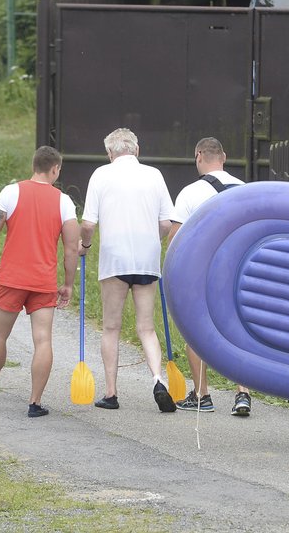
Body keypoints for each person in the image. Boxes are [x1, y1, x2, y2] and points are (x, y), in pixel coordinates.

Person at [0, 146, 79, 418]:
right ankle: (35, 402)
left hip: (11, 279)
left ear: (33, 165)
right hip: (43, 282)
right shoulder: (64, 201)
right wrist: (68, 283)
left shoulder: (10, 192)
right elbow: (72, 247)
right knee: (43, 340)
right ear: (55, 169)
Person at [80, 128, 176, 412]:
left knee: (111, 326)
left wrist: (85, 245)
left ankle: (111, 394)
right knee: (146, 327)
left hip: (115, 260)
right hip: (147, 258)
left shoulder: (101, 174)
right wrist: (151, 241)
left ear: (110, 153)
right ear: (137, 149)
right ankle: (159, 380)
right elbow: (167, 223)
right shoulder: (154, 175)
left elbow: (88, 224)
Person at [167, 137, 253, 416]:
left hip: (203, 272)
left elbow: (175, 239)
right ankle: (243, 393)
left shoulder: (190, 193)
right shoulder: (244, 190)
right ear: (224, 156)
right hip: (238, 271)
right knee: (238, 330)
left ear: (198, 155)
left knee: (196, 330)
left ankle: (203, 395)